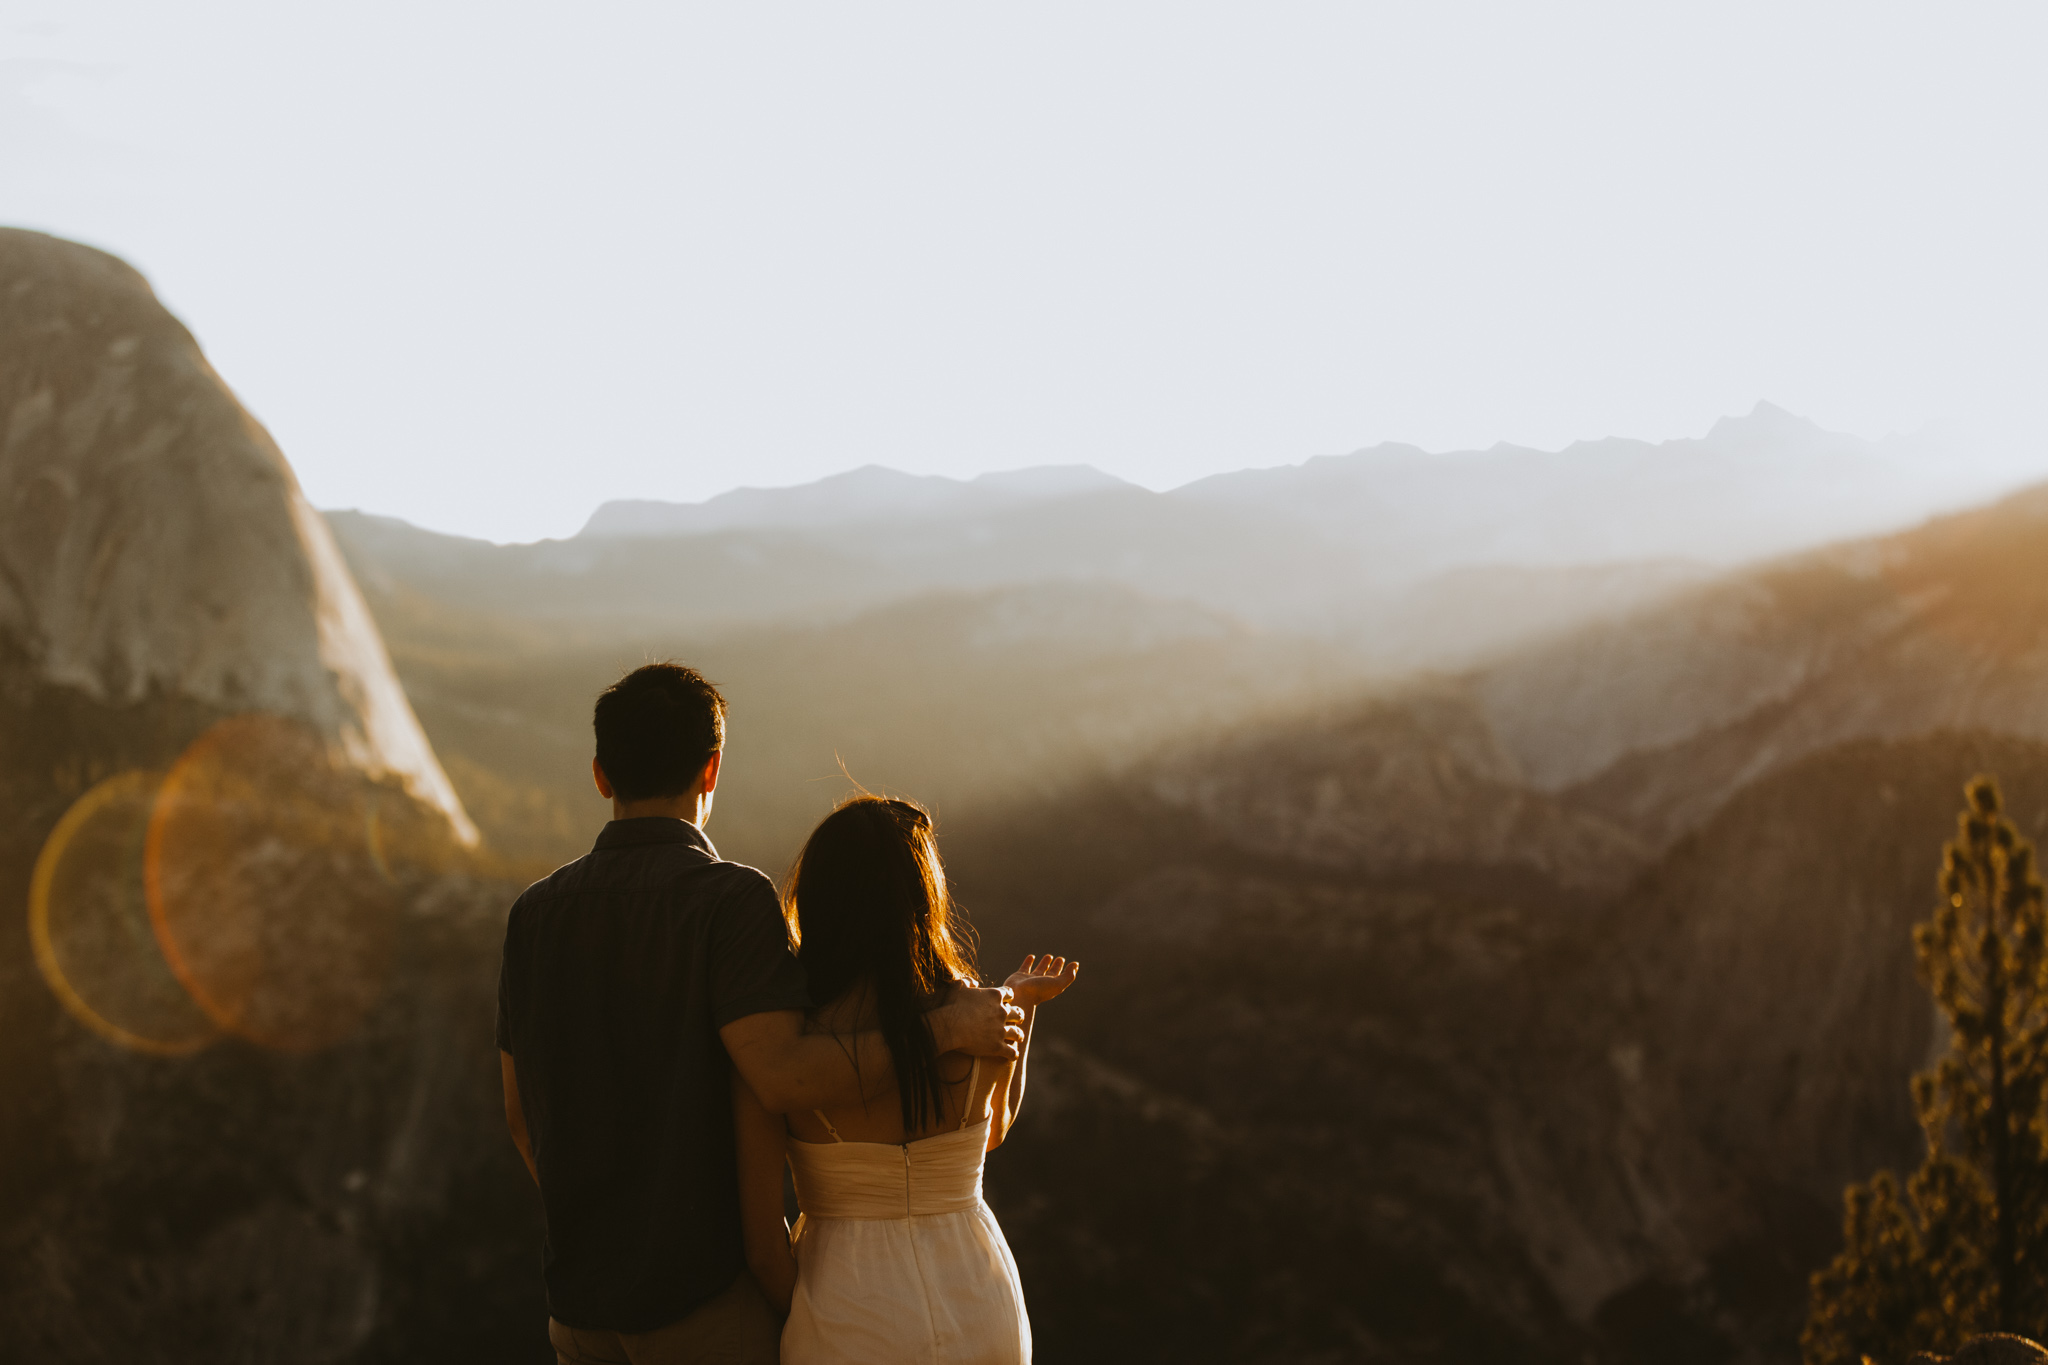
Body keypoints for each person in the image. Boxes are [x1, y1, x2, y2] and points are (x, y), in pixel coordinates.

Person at [497, 664, 1023, 1365]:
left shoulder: (534, 913)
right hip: (703, 1304)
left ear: (601, 774)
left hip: (581, 1307)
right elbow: (783, 1077)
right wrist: (948, 1028)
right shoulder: (729, 900)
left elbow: (519, 1115)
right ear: (711, 770)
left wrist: (600, 1223)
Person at [732, 795, 1080, 1365]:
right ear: (922, 897)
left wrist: (809, 1310)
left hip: (847, 1303)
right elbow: (991, 1130)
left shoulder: (786, 1046)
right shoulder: (973, 1009)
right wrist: (1019, 1006)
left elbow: (762, 1246)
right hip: (978, 1292)